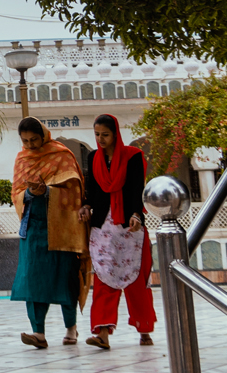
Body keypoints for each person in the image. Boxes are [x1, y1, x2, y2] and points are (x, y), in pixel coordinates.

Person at [10, 117, 88, 349]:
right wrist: (30, 193)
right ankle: (38, 333)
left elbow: (75, 191)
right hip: (33, 228)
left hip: (62, 226)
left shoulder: (61, 155)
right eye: (25, 141)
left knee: (65, 276)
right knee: (33, 278)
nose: (31, 145)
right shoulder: (22, 158)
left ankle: (71, 328)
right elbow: (16, 192)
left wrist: (47, 191)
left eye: (34, 140)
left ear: (44, 135)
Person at [82, 113, 156, 349]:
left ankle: (144, 330)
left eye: (105, 134)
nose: (100, 139)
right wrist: (86, 206)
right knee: (104, 277)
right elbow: (92, 190)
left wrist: (136, 213)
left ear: (115, 134)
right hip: (103, 228)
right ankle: (102, 333)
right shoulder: (94, 157)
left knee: (135, 278)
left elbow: (137, 188)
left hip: (129, 227)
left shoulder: (133, 156)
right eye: (97, 134)